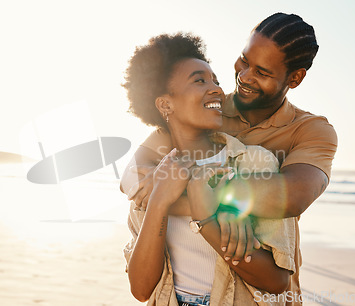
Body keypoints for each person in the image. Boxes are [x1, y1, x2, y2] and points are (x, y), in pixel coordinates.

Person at [121, 12, 338, 304]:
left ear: (295, 78)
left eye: (262, 72)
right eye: (244, 61)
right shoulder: (206, 109)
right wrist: (175, 196)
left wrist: (207, 200)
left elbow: (292, 195)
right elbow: (133, 177)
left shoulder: (310, 131)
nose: (244, 77)